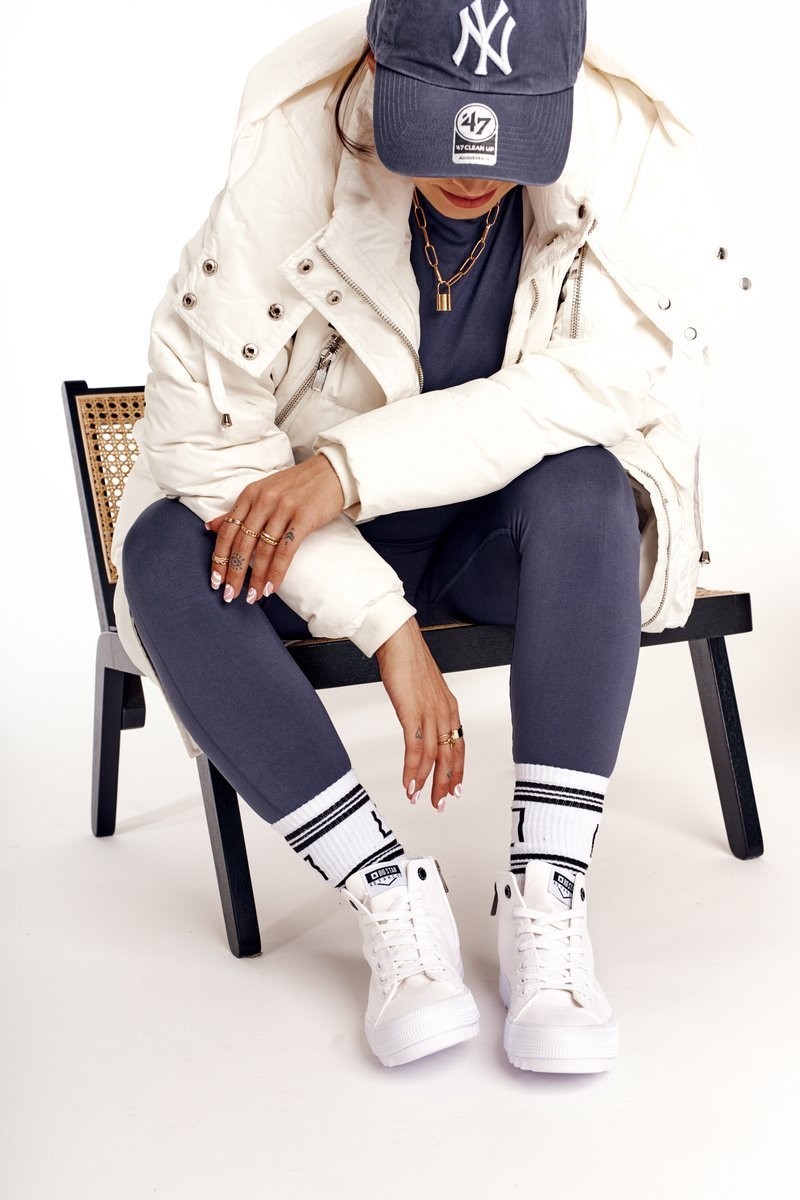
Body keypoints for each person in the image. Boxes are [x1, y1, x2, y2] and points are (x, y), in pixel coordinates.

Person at [110, 0, 749, 1073]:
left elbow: (607, 389)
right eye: (441, 122)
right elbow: (200, 441)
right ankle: (389, 891)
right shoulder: (289, 159)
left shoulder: (623, 154)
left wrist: (346, 469)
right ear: (378, 67)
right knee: (167, 553)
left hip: (489, 546)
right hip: (299, 556)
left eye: (507, 132)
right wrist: (386, 626)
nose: (470, 168)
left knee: (588, 482)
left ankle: (547, 889)